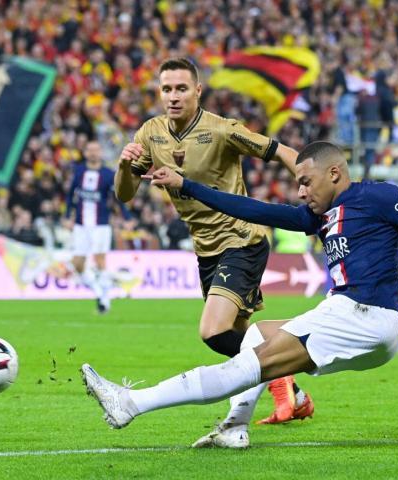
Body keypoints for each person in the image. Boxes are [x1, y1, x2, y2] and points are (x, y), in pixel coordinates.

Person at [81, 141, 398, 448]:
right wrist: (187, 186)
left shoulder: (378, 197)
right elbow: (252, 208)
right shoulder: (317, 217)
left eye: (306, 181)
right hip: (354, 316)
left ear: (334, 173)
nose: (300, 191)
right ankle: (234, 428)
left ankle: (131, 405)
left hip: (367, 313)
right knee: (256, 335)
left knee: (247, 365)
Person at [113, 57, 313, 424]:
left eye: (181, 88)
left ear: (198, 91)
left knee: (213, 331)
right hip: (206, 250)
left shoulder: (222, 130)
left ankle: (284, 372)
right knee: (241, 338)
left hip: (241, 239)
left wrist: (313, 187)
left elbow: (281, 151)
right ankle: (295, 396)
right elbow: (125, 194)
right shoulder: (150, 133)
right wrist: (125, 165)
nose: (173, 96)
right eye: (167, 89)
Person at [65, 140, 132, 314]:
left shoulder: (108, 174)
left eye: (96, 150)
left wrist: (126, 217)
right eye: (90, 150)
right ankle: (99, 292)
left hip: (101, 224)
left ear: (100, 152)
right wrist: (67, 216)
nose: (93, 153)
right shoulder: (79, 171)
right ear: (85, 152)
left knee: (100, 260)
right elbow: (70, 195)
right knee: (77, 264)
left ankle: (104, 301)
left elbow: (118, 197)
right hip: (80, 224)